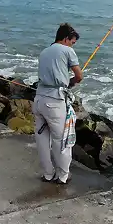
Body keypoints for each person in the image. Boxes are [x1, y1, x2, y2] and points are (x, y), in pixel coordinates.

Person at [33, 23, 83, 185]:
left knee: (42, 139)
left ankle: (48, 174)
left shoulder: (44, 51)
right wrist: (72, 82)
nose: (72, 45)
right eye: (72, 42)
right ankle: (62, 176)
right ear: (66, 38)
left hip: (39, 99)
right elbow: (79, 75)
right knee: (61, 140)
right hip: (54, 102)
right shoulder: (67, 50)